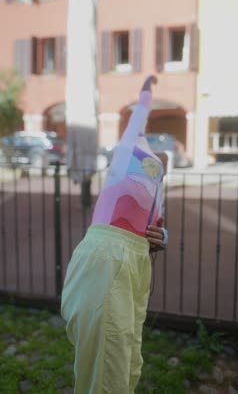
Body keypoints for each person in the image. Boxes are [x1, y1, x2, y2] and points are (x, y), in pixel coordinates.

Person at [61, 75, 168, 394]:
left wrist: (163, 237)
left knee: (126, 360)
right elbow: (141, 109)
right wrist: (148, 86)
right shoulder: (128, 147)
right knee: (106, 368)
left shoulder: (159, 170)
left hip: (135, 261)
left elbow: (157, 223)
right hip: (108, 257)